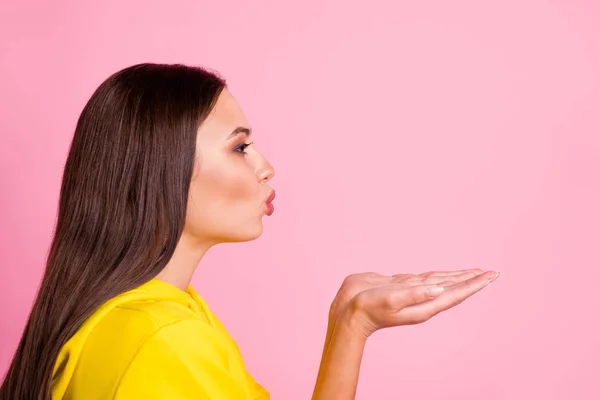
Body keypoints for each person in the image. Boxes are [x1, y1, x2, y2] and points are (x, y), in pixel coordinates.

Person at [0, 63, 499, 400]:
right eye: (240, 148)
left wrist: (352, 324)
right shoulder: (163, 338)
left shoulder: (159, 312)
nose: (266, 168)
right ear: (161, 167)